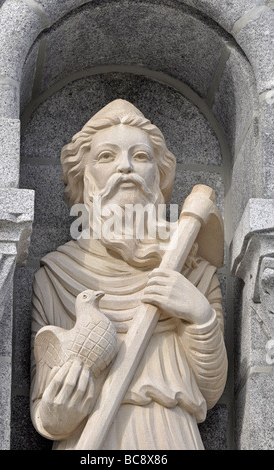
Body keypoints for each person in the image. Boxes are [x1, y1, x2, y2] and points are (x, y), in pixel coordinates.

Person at [30, 99, 227, 450]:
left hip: (171, 433)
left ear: (159, 175)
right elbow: (44, 410)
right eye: (107, 157)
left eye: (140, 157)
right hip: (90, 439)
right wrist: (58, 411)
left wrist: (199, 317)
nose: (125, 168)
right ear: (85, 178)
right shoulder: (56, 276)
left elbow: (210, 390)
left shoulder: (193, 272)